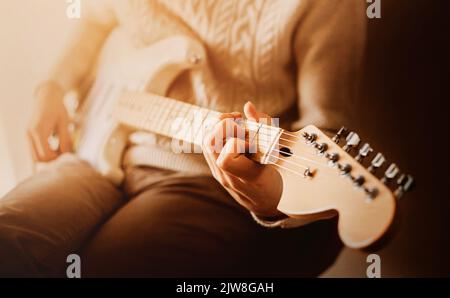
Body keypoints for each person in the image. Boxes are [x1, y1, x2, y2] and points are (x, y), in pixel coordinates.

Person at [0, 0, 366, 277]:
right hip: (94, 150)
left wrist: (270, 196)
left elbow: (327, 129)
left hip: (203, 182)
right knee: (10, 236)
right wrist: (52, 86)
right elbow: (96, 17)